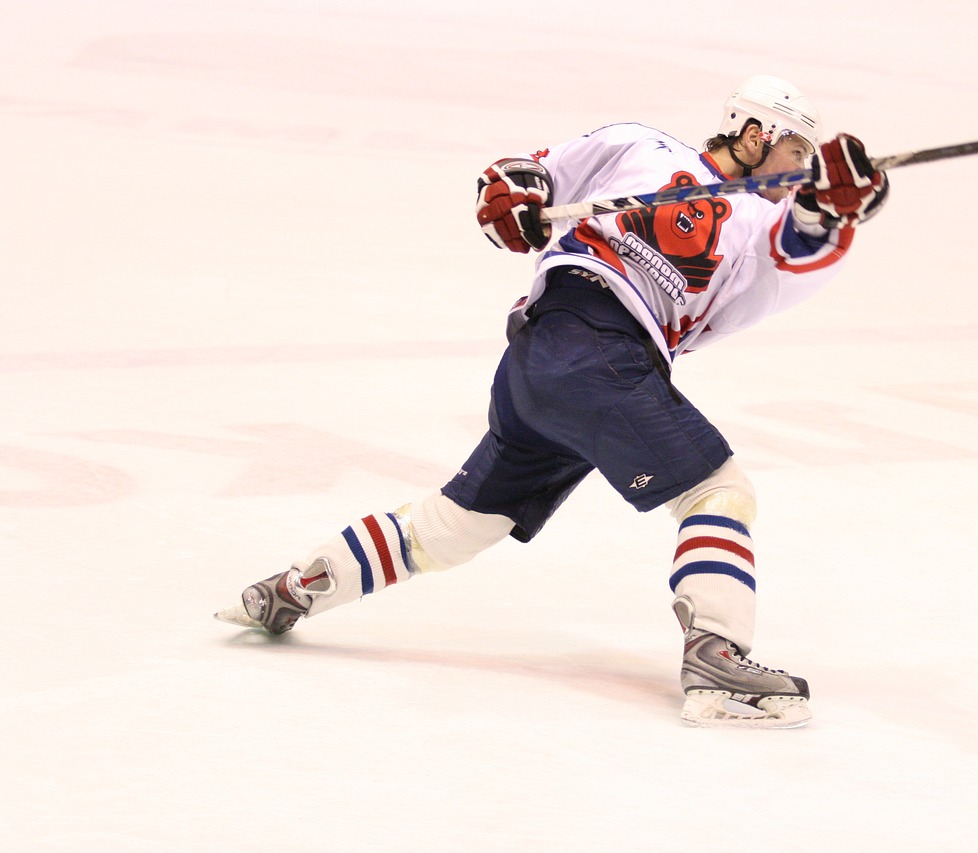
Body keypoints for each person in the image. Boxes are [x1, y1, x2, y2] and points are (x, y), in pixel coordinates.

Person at [216, 75, 889, 729]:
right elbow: (529, 174)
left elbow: (795, 248)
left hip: (559, 366)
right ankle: (715, 649)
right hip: (585, 340)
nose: (803, 167)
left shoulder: (759, 221)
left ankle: (298, 585)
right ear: (752, 130)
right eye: (796, 151)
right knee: (719, 490)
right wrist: (510, 194)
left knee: (456, 525)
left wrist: (827, 207)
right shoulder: (637, 146)